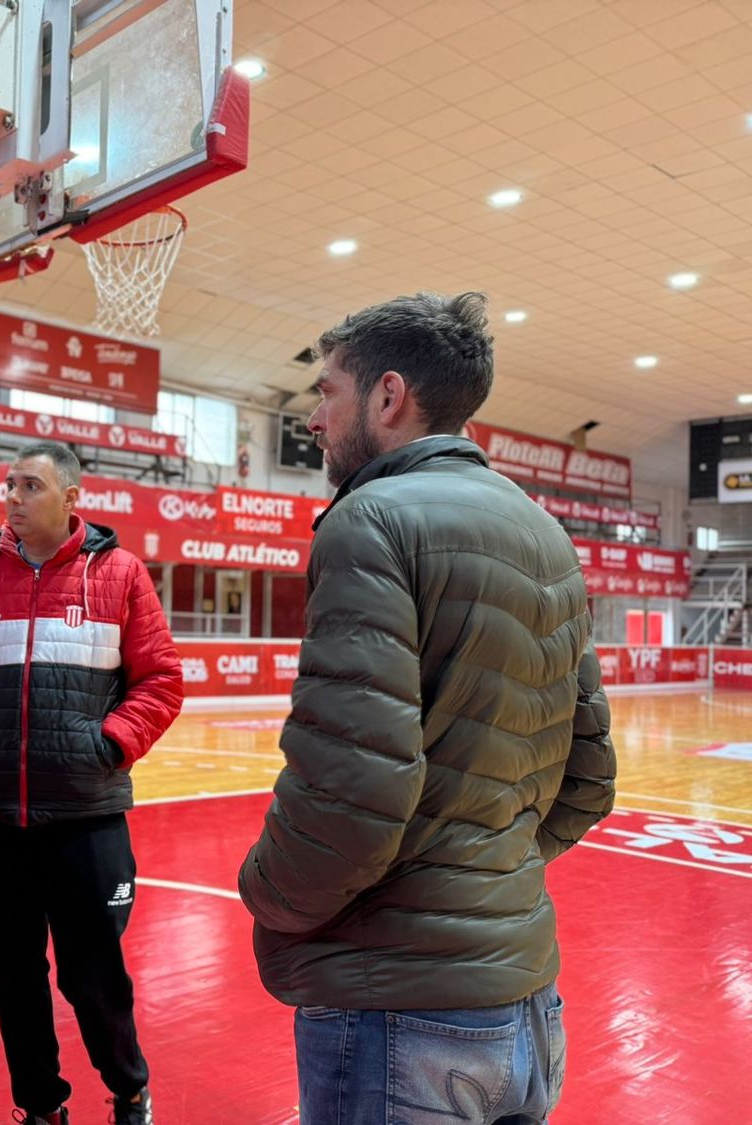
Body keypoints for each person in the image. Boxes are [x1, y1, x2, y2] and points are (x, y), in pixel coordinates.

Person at [238, 292, 616, 1125]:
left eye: (327, 390)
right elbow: (589, 779)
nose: (314, 416)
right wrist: (482, 866)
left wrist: (265, 891)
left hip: (399, 1012)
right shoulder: (546, 535)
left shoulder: (368, 520)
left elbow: (350, 799)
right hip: (526, 1006)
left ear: (388, 395)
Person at [0, 441, 183, 1125]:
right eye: (9, 484)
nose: (13, 496)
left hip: (85, 816)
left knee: (92, 978)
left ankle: (130, 1088)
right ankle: (40, 1106)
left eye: (30, 485)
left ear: (72, 497)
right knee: (13, 979)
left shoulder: (122, 572)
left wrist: (109, 744)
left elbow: (160, 680)